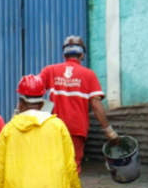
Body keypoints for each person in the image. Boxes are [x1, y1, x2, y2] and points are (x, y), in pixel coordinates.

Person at [39, 35, 120, 173]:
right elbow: (96, 105)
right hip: (76, 128)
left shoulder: (50, 71)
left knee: (53, 164)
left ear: (64, 54)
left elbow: (32, 92)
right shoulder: (89, 75)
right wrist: (109, 130)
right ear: (82, 54)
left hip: (53, 127)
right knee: (72, 165)